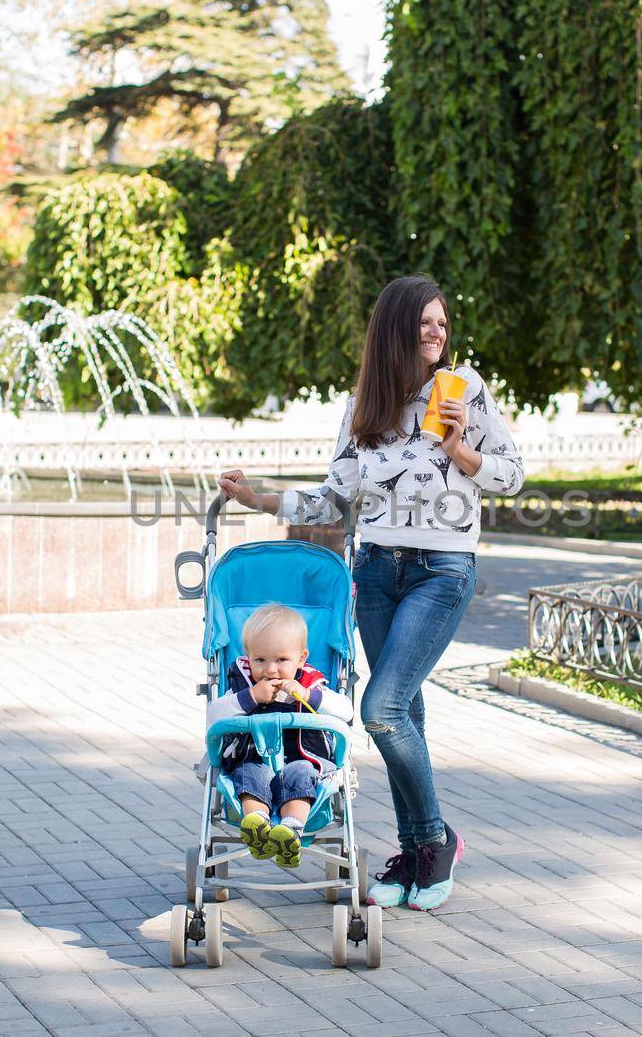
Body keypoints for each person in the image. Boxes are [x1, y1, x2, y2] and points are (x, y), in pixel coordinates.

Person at [218, 274, 524, 911]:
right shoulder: (365, 407)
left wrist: (460, 449)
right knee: (404, 714)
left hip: (443, 570)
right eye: (425, 322)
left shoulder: (465, 390)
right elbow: (333, 498)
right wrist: (263, 499)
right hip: (379, 570)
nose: (437, 332)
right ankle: (412, 854)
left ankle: (436, 842)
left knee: (382, 709)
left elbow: (513, 477)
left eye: (443, 322)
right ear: (395, 329)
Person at [206, 603, 353, 868]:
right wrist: (248, 698)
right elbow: (213, 716)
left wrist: (308, 696)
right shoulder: (244, 685)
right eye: (260, 660)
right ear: (248, 657)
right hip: (254, 760)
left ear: (301, 658)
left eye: (282, 660)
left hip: (300, 760)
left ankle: (290, 829)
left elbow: (347, 710)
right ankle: (258, 827)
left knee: (301, 773)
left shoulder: (311, 684)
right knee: (248, 773)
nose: (271, 670)